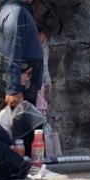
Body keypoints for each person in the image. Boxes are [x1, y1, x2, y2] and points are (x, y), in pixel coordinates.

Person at [0, 0, 44, 104]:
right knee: (17, 119)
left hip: (25, 84)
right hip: (18, 89)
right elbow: (12, 50)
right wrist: (13, 89)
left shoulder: (21, 9)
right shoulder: (15, 11)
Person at [35, 28, 62, 162]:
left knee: (44, 118)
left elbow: (44, 65)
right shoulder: (36, 47)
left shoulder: (44, 46)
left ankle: (47, 152)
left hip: (43, 83)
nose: (42, 38)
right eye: (40, 36)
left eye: (43, 36)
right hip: (39, 84)